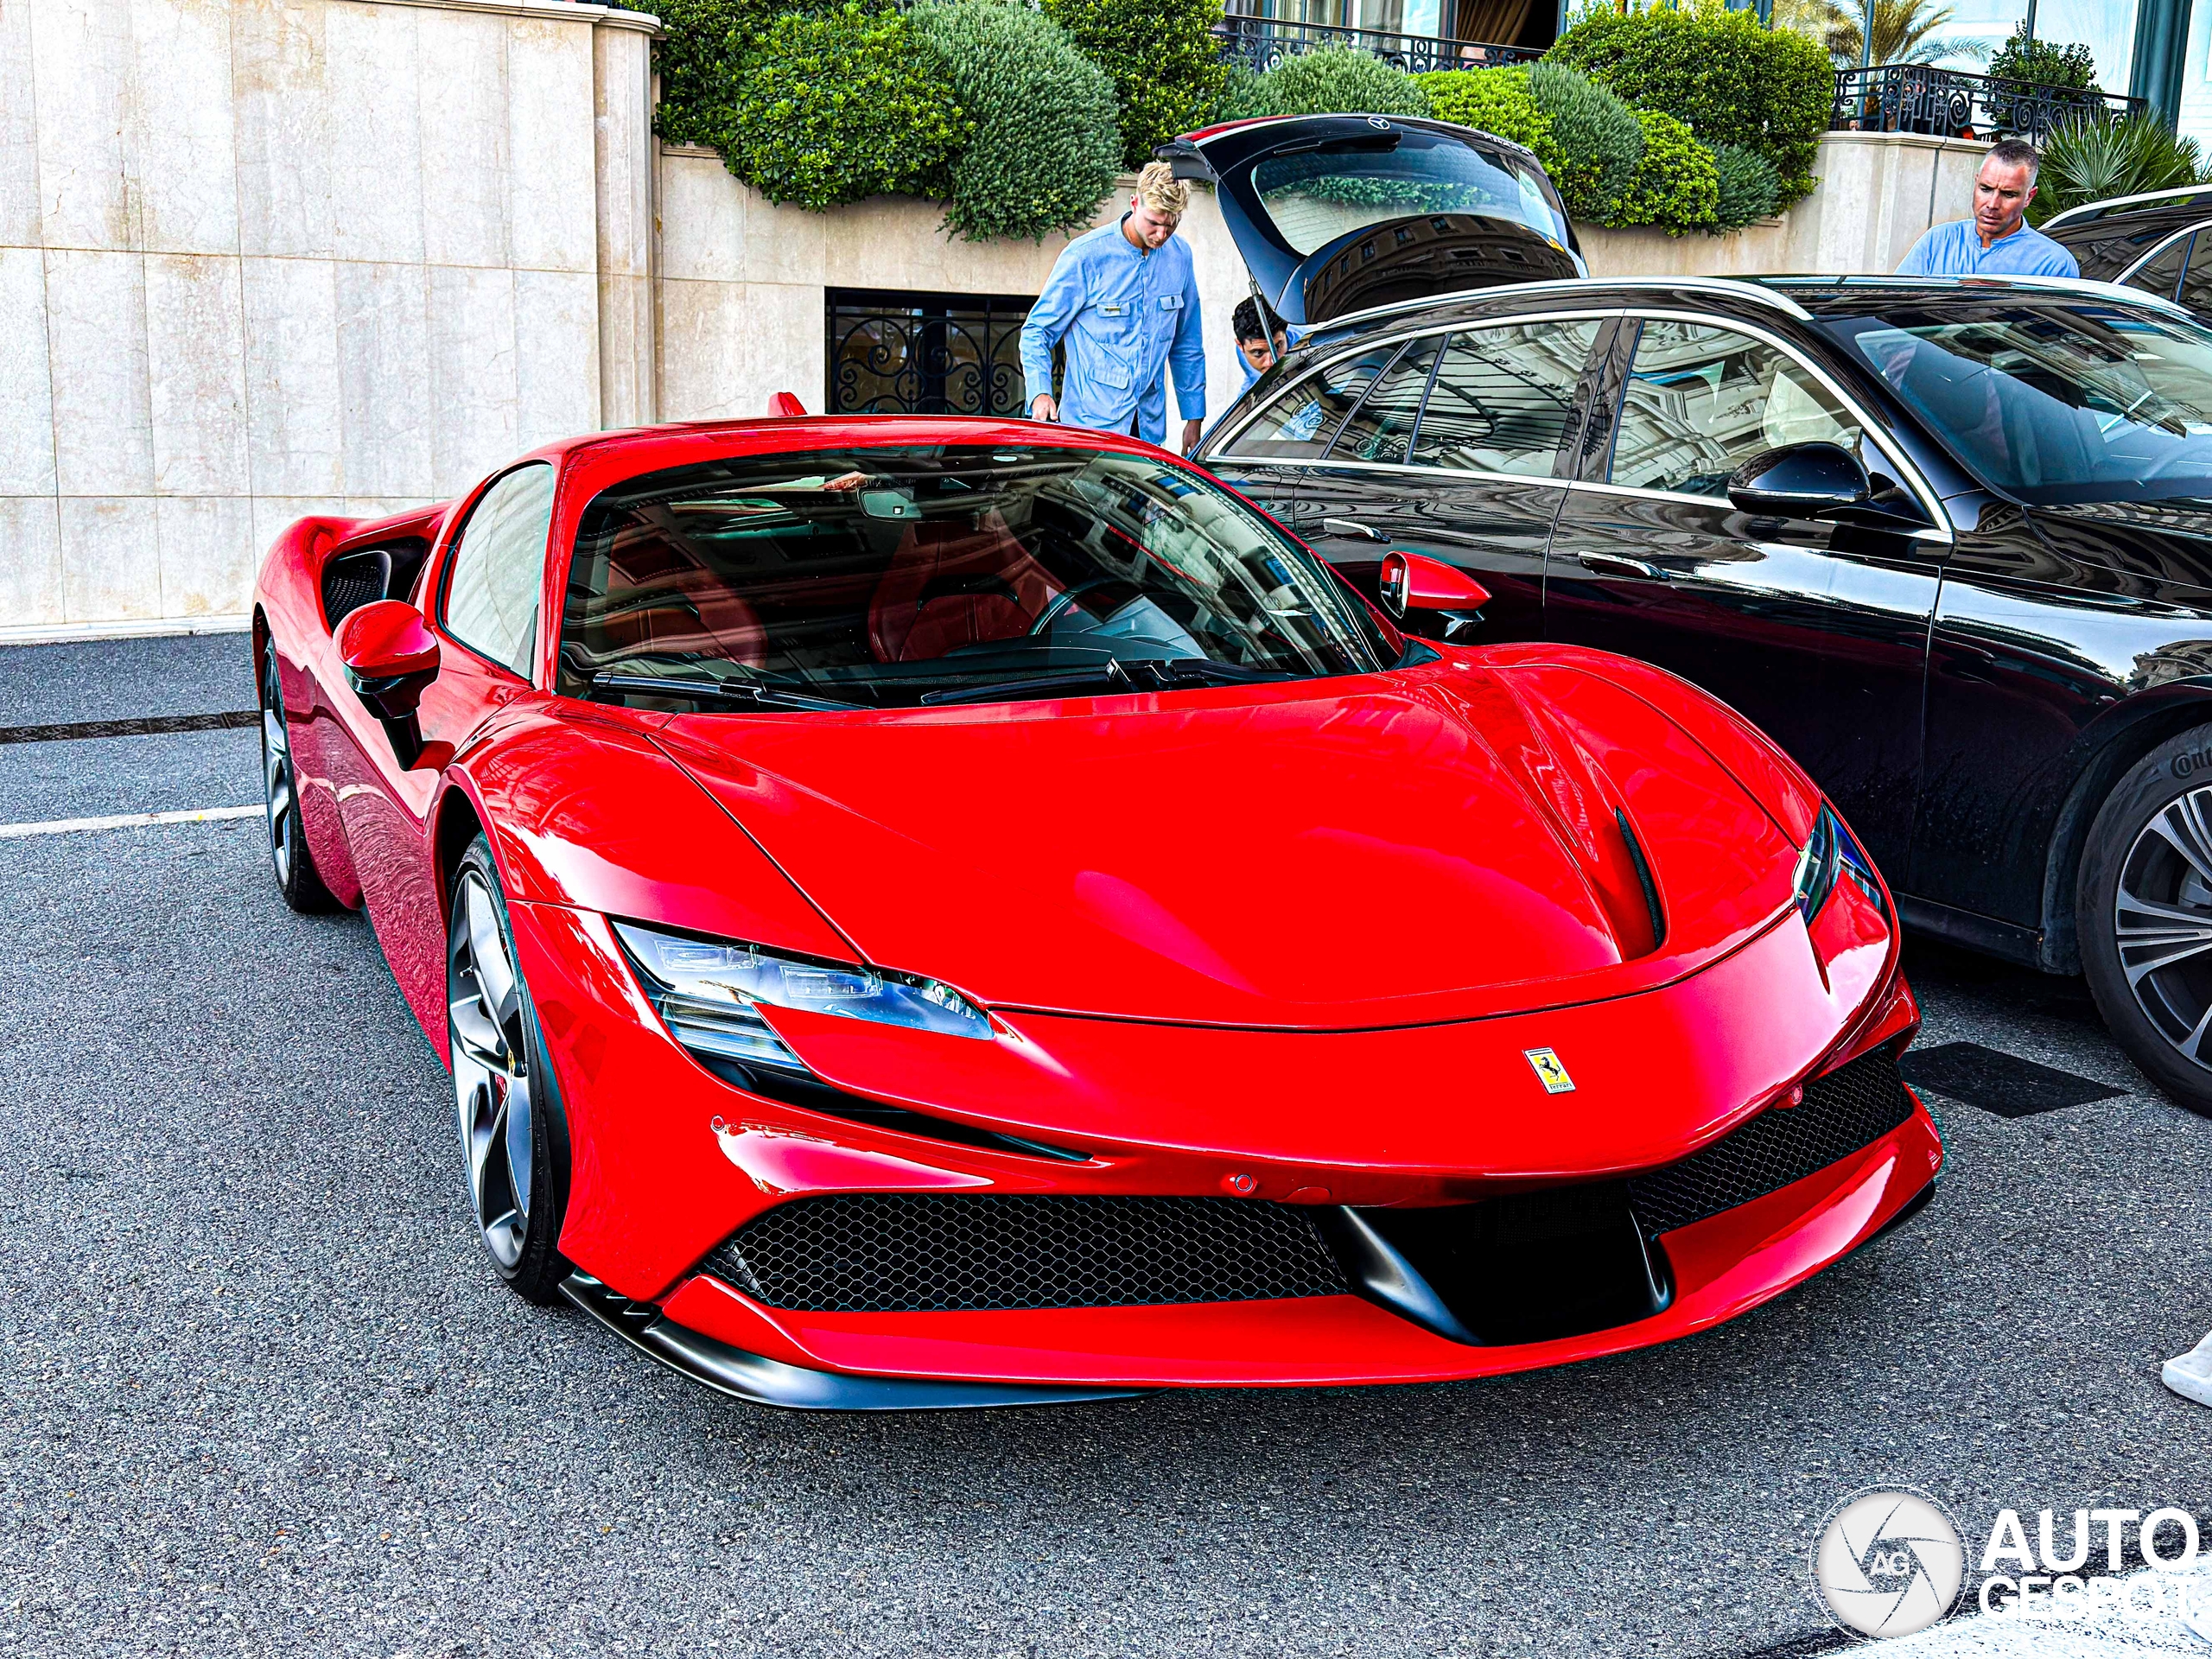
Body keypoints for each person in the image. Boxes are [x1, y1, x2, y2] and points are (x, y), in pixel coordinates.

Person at [1021, 162, 1207, 454]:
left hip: (1148, 433)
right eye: (1154, 223)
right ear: (1135, 203)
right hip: (1087, 433)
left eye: (1170, 226)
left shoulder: (1180, 257)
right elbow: (1037, 331)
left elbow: (1187, 343)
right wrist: (1040, 393)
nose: (1161, 235)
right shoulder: (1085, 257)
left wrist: (1194, 418)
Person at [1894, 138, 2080, 279]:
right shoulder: (1938, 241)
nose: (1992, 204)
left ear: (2029, 197)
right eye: (1986, 189)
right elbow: (1893, 307)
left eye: (2008, 194)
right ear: (1976, 183)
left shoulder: (2053, 264)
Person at [1232, 296, 1289, 393]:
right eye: (1259, 352)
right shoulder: (1242, 352)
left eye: (1277, 347)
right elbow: (1253, 377)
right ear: (1240, 346)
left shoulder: (1307, 344)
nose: (1271, 363)